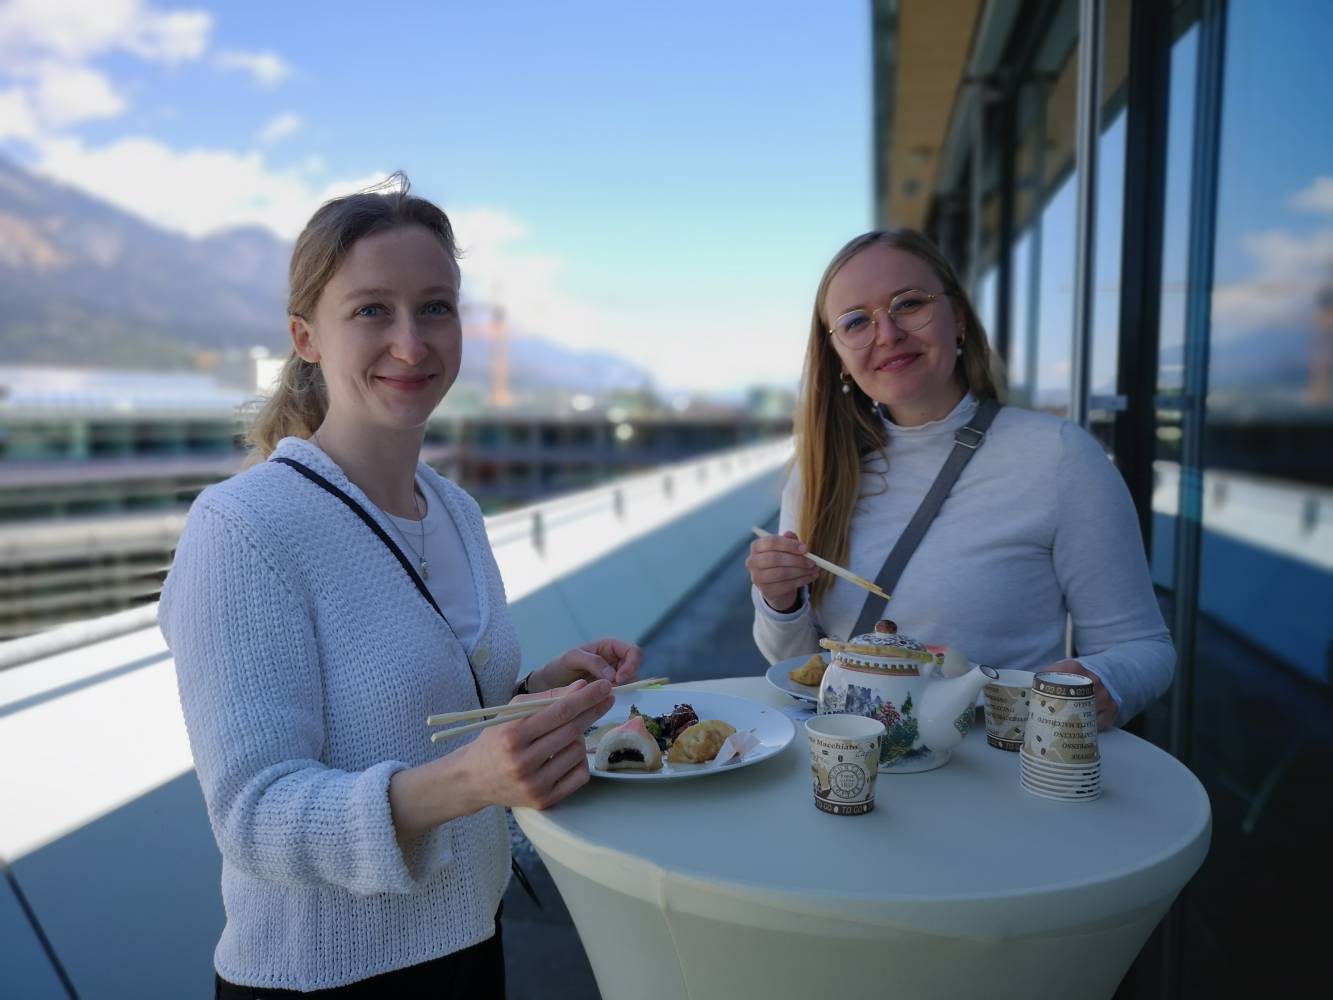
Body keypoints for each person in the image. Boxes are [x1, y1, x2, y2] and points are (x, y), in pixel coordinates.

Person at [158, 175, 640, 998]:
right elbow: (251, 815)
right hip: (325, 976)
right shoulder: (243, 529)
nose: (411, 344)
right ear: (306, 337)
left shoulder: (453, 510)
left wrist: (531, 697)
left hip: (470, 939)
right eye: (372, 310)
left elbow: (420, 719)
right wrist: (471, 783)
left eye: (436, 307)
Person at [746, 229, 1174, 729]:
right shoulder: (818, 471)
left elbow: (1143, 647)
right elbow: (795, 668)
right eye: (856, 321)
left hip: (1000, 776)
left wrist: (1103, 679)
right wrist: (781, 601)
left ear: (960, 320)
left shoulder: (1058, 456)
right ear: (838, 355)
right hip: (855, 776)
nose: (887, 334)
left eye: (909, 304)